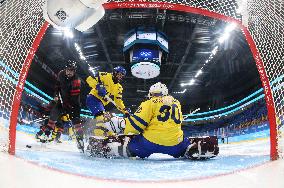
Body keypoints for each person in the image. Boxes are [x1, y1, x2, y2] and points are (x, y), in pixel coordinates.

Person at [87, 82, 219, 159]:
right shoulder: (177, 102)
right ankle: (197, 148)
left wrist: (119, 123)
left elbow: (135, 127)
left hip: (148, 144)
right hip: (175, 145)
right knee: (185, 143)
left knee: (128, 143)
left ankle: (102, 148)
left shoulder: (149, 103)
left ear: (152, 93)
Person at [85, 66, 129, 137]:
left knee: (108, 120)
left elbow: (118, 102)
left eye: (122, 75)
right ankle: (98, 135)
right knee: (101, 118)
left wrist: (125, 111)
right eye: (119, 74)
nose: (120, 77)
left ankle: (109, 135)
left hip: (101, 104)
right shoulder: (104, 75)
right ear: (114, 73)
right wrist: (97, 86)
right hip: (93, 98)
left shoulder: (119, 87)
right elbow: (89, 78)